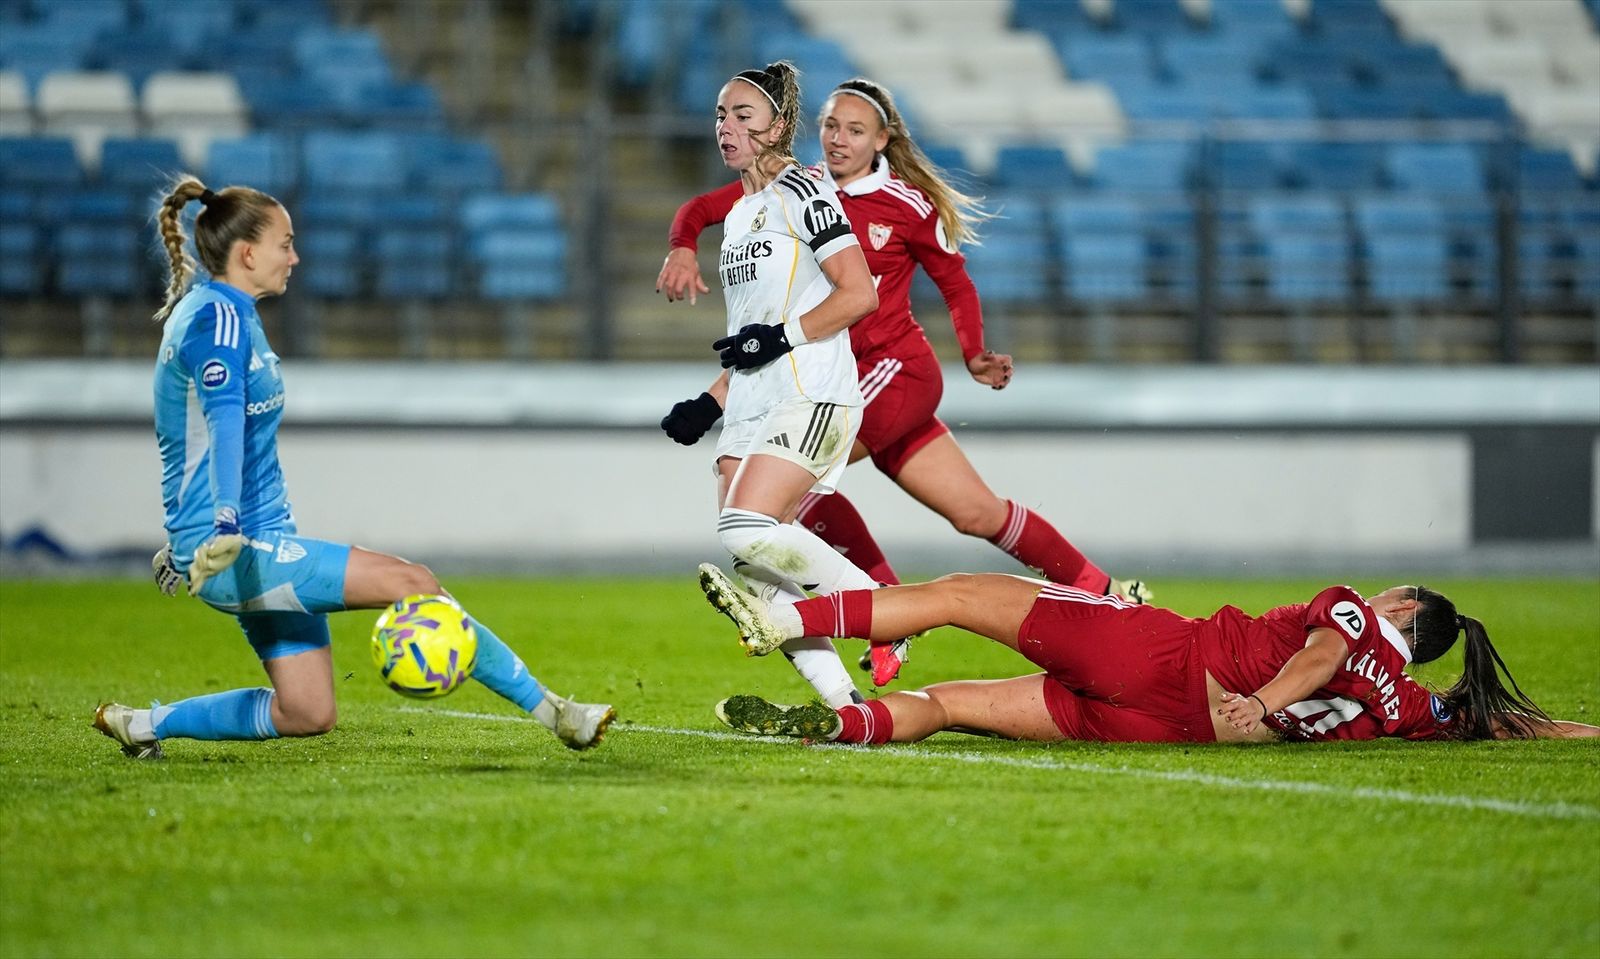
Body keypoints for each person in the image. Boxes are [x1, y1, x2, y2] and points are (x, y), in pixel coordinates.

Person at [92, 176, 615, 760]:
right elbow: (221, 426)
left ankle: (143, 724)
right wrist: (219, 526)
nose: (295, 257)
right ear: (248, 254)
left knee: (307, 711)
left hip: (243, 539)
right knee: (414, 583)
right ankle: (558, 714)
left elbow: (182, 430)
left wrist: (184, 536)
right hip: (238, 548)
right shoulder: (221, 322)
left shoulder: (216, 311)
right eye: (285, 243)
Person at [658, 77, 1147, 688]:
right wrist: (682, 246)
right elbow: (702, 210)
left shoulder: (904, 204)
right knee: (978, 513)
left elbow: (954, 281)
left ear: (882, 140)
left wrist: (973, 353)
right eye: (830, 125)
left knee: (786, 493)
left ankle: (887, 611)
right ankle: (1105, 590)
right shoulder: (793, 189)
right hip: (844, 373)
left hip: (892, 373)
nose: (838, 139)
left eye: (855, 130)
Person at [695, 564, 1599, 744]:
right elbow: (1494, 720)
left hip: (1163, 659)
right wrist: (1579, 732)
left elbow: (1324, 654)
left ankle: (783, 618)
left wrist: (1265, 698)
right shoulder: (1407, 703)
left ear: (1402, 606)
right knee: (953, 704)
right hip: (1163, 729)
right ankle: (834, 727)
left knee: (963, 595)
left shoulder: (1352, 614)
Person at [657, 62, 891, 712]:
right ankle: (846, 706)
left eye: (743, 115)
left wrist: (780, 338)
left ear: (779, 125)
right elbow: (752, 336)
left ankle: (888, 609)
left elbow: (859, 293)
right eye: (720, 116)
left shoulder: (804, 189)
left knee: (744, 527)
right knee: (754, 565)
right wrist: (711, 399)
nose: (726, 128)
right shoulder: (740, 216)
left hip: (810, 392)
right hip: (753, 401)